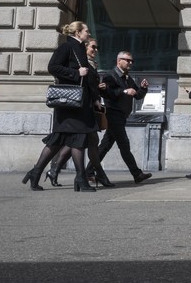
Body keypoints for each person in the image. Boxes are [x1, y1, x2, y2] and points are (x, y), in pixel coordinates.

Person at [21, 21, 100, 192]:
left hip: (79, 103)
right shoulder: (66, 47)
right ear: (78, 32)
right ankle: (80, 179)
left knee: (59, 140)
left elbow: (87, 79)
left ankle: (36, 173)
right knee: (76, 139)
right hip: (69, 103)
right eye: (86, 30)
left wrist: (94, 98)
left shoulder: (79, 48)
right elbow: (53, 67)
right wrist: (75, 73)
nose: (89, 33)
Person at [46, 38, 112, 187]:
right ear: (85, 48)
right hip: (80, 108)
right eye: (93, 47)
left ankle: (57, 171)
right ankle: (90, 175)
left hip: (88, 107)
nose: (95, 50)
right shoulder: (81, 63)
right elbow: (81, 82)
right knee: (81, 143)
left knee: (82, 143)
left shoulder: (91, 64)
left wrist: (98, 91)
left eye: (97, 48)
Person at [86, 51, 153, 185]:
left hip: (122, 116)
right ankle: (137, 173)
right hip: (113, 114)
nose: (130, 63)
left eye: (131, 61)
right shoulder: (110, 76)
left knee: (105, 146)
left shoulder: (127, 78)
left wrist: (143, 88)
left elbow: (137, 95)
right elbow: (106, 93)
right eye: (127, 60)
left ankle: (88, 172)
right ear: (119, 61)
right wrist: (124, 91)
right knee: (124, 145)